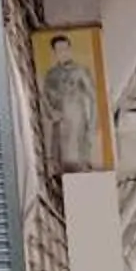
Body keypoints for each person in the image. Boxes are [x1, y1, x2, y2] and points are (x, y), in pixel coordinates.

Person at [41, 33, 103, 173]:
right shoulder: (51, 74)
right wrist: (51, 112)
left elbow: (93, 98)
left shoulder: (80, 71)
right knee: (59, 163)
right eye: (58, 50)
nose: (62, 53)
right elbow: (44, 97)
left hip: (78, 123)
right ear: (54, 52)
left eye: (65, 49)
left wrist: (92, 125)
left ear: (70, 49)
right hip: (60, 125)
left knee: (79, 163)